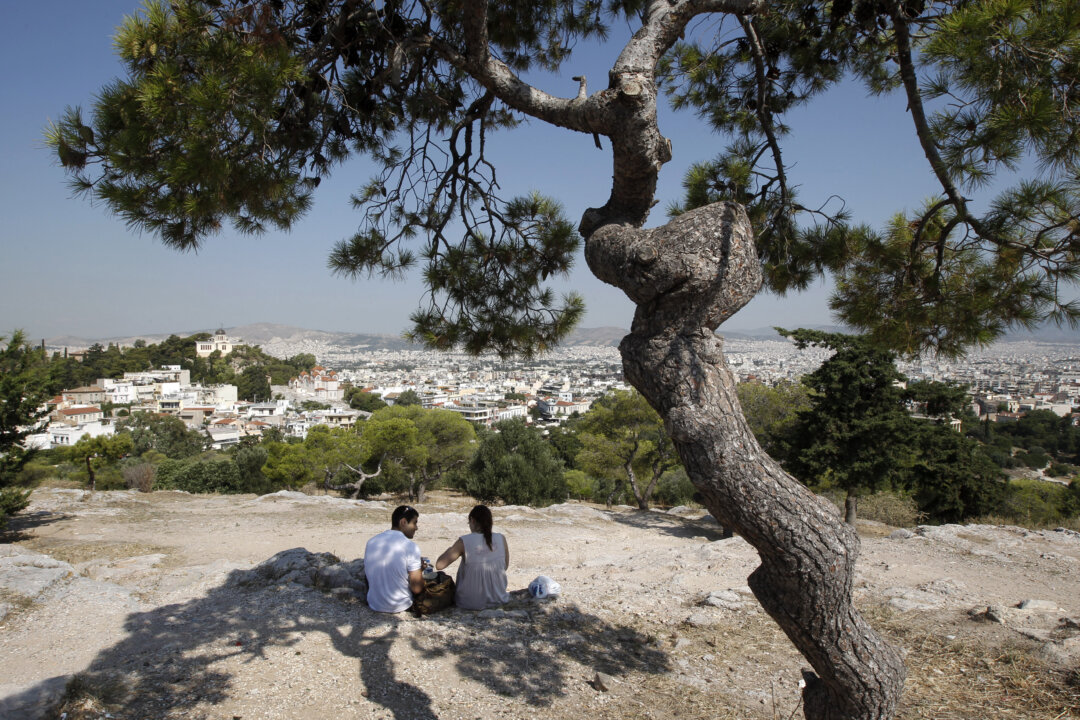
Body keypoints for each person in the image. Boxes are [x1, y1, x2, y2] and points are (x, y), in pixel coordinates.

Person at [435, 505, 510, 610]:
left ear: (472, 520)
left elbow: (439, 565)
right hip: (499, 599)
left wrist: (450, 549)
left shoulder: (464, 541)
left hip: (469, 603)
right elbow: (504, 566)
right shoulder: (501, 538)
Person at [364, 505, 426, 613]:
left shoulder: (371, 541)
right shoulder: (410, 546)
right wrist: (419, 570)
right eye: (415, 523)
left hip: (374, 603)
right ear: (403, 522)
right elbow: (417, 589)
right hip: (401, 605)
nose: (416, 528)